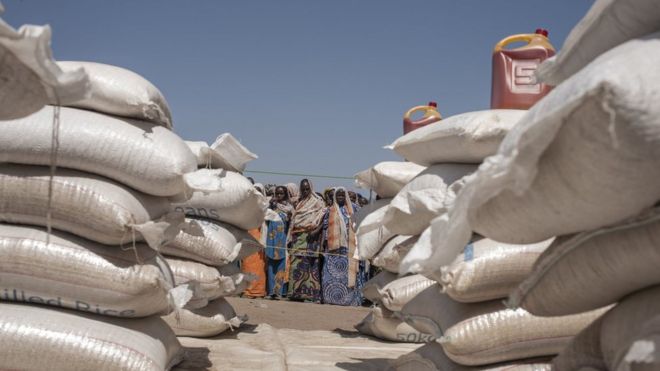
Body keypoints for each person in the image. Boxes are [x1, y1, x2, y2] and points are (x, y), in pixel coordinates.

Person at [320, 187, 367, 306]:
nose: (340, 198)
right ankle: (331, 298)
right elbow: (325, 227)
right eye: (338, 196)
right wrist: (322, 245)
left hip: (349, 249)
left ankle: (347, 300)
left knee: (347, 276)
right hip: (333, 250)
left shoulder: (354, 209)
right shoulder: (330, 210)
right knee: (331, 275)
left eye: (342, 195)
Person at [287, 179, 325, 302]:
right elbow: (294, 219)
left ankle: (310, 294)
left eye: (307, 189)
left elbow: (323, 219)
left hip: (311, 237)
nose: (305, 191)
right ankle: (295, 293)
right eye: (303, 189)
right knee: (296, 264)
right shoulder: (298, 202)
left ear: (311, 188)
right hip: (297, 237)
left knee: (310, 264)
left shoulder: (317, 202)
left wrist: (316, 231)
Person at [265, 185, 294, 299]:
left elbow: (291, 225)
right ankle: (271, 291)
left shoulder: (289, 209)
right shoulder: (271, 207)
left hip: (282, 240)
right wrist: (270, 206)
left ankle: (279, 292)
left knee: (281, 266)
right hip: (271, 239)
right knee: (271, 265)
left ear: (285, 195)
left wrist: (289, 239)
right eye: (277, 193)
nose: (278, 196)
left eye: (281, 193)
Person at [241, 183, 268, 298]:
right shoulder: (246, 206)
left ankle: (258, 290)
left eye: (258, 191)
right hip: (248, 237)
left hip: (259, 237)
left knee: (259, 264)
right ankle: (247, 289)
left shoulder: (265, 206)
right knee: (247, 263)